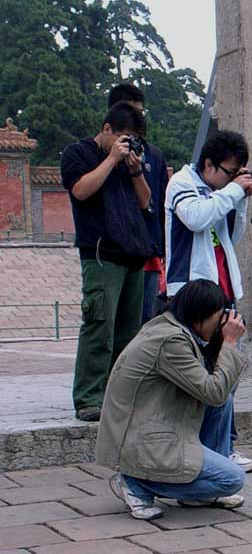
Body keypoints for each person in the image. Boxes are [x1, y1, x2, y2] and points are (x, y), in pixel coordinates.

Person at [96, 279, 248, 520]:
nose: (221, 323)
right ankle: (137, 483)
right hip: (144, 438)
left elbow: (220, 391)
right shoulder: (171, 341)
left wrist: (220, 343)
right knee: (232, 479)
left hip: (157, 422)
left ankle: (199, 490)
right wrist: (229, 343)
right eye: (218, 317)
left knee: (225, 401)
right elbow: (213, 390)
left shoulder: (174, 328)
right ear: (200, 315)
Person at [164, 130, 252, 473]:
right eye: (230, 172)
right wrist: (234, 190)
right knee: (200, 376)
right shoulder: (181, 183)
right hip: (191, 294)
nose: (234, 179)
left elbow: (232, 236)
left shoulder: (221, 191)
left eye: (239, 173)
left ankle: (223, 447)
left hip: (222, 291)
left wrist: (241, 198)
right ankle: (200, 448)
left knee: (226, 370)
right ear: (208, 164)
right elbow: (196, 219)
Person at [61, 103, 154, 422]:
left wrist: (134, 169)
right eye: (124, 137)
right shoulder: (77, 153)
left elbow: (145, 201)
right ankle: (88, 397)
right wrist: (112, 158)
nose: (127, 143)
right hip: (101, 254)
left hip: (133, 253)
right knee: (99, 324)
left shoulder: (127, 162)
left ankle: (119, 396)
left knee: (128, 331)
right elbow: (80, 191)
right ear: (106, 129)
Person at [108, 83, 169, 324]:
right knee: (110, 322)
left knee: (145, 320)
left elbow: (159, 204)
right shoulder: (99, 153)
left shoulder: (153, 155)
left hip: (147, 252)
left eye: (140, 114)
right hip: (113, 252)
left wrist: (163, 249)